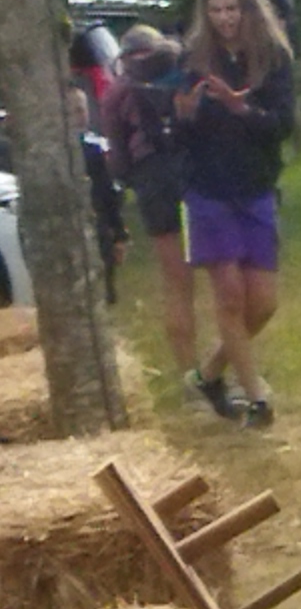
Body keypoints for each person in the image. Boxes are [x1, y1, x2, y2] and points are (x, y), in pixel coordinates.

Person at [170, 0, 296, 425]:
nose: (224, 18)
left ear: (248, 8)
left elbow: (281, 124)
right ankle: (256, 396)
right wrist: (183, 117)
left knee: (263, 302)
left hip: (256, 187)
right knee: (229, 297)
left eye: (232, 9)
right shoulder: (192, 62)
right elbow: (179, 140)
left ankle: (208, 373)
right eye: (216, 10)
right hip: (207, 191)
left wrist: (240, 107)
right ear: (205, 13)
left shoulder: (273, 59)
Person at [107, 26, 190, 372]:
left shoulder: (116, 94)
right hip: (191, 171)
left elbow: (120, 158)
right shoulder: (181, 74)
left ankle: (189, 369)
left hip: (151, 179)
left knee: (176, 281)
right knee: (221, 272)